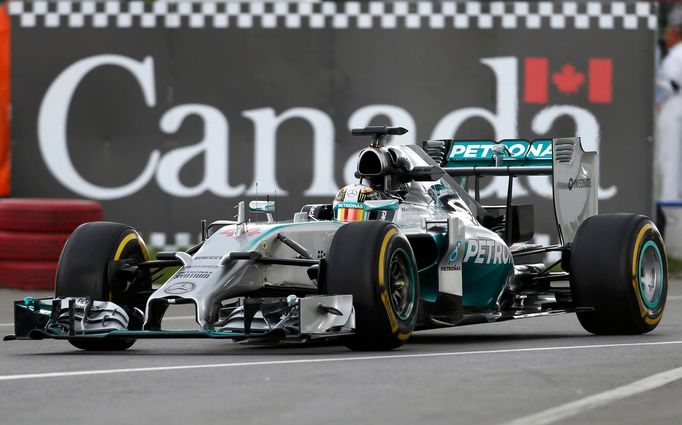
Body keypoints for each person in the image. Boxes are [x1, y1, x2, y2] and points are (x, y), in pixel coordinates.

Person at [656, 6, 682, 200]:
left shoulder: (678, 54)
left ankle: (670, 200)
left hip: (676, 107)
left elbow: (673, 83)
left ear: (675, 31)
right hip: (672, 105)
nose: (665, 35)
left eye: (668, 30)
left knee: (671, 158)